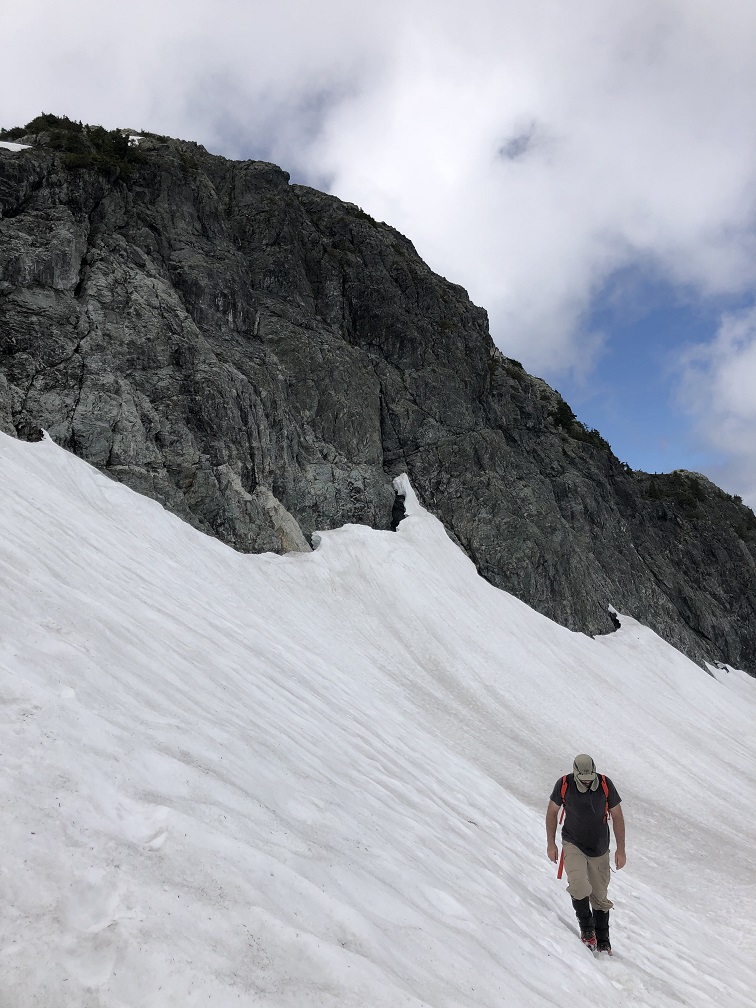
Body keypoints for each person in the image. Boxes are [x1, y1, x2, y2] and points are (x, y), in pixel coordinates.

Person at [546, 754, 626, 953]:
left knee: (600, 896)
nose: (588, 782)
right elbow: (552, 812)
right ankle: (587, 930)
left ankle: (603, 940)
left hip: (600, 848)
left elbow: (617, 815)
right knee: (579, 884)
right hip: (573, 843)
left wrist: (621, 849)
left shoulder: (606, 784)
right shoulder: (564, 784)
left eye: (590, 778)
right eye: (583, 779)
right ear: (575, 774)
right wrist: (551, 844)